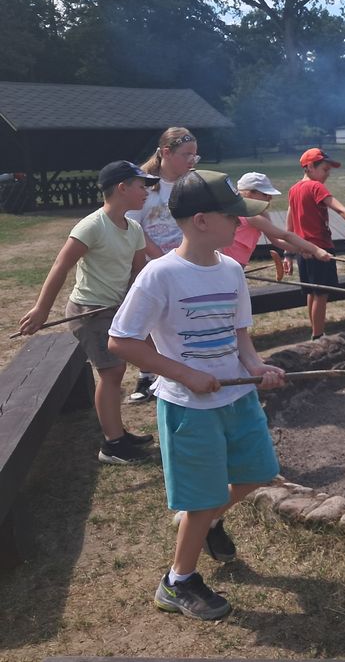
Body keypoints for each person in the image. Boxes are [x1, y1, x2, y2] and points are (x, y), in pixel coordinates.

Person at [108, 169, 286, 621]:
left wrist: (256, 367)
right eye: (233, 217)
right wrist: (184, 373)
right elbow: (122, 341)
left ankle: (205, 521)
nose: (240, 224)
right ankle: (178, 581)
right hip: (190, 408)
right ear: (203, 221)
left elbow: (240, 334)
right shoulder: (160, 275)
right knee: (201, 497)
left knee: (258, 471)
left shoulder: (231, 270)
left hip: (237, 398)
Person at [19, 161, 159, 464]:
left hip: (114, 309)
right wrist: (41, 309)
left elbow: (138, 270)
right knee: (111, 373)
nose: (147, 191)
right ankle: (112, 445)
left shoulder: (133, 228)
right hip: (90, 311)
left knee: (117, 370)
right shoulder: (92, 225)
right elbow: (61, 265)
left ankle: (117, 431)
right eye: (141, 185)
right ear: (122, 188)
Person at [126, 127, 201, 404]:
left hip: (187, 264)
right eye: (186, 155)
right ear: (166, 153)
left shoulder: (190, 183)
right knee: (150, 322)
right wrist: (160, 257)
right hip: (152, 266)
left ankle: (180, 370)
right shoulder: (144, 185)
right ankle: (149, 374)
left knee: (180, 320)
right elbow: (133, 225)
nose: (192, 161)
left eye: (195, 155)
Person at [285, 148, 345, 340]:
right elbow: (341, 210)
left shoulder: (293, 190)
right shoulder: (316, 187)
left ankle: (314, 331)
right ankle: (318, 335)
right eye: (325, 169)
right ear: (309, 167)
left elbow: (289, 222)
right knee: (321, 294)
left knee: (311, 291)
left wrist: (288, 251)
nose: (328, 174)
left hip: (303, 249)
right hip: (319, 248)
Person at [221, 172, 336, 267]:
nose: (270, 198)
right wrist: (316, 250)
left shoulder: (262, 214)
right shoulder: (251, 216)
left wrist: (302, 249)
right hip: (227, 264)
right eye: (266, 194)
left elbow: (276, 241)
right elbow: (285, 236)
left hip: (237, 265)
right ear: (249, 193)